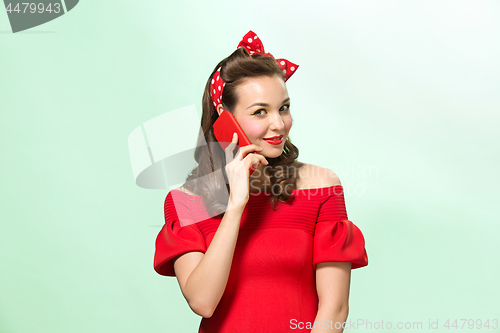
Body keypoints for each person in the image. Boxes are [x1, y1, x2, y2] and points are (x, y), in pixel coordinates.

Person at [153, 30, 368, 333]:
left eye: (283, 107)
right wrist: (235, 206)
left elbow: (334, 308)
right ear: (224, 117)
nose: (279, 124)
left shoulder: (322, 185)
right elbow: (202, 302)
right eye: (260, 112)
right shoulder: (186, 202)